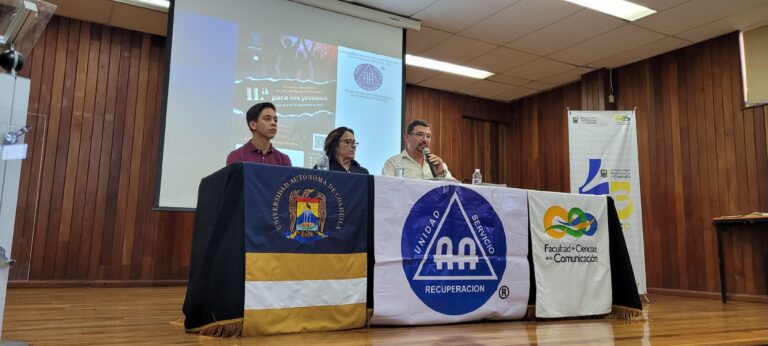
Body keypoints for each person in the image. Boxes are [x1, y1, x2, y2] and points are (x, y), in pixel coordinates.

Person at [382, 119, 453, 179]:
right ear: (407, 137)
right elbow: (388, 190)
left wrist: (440, 173)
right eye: (420, 134)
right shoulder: (393, 163)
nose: (425, 140)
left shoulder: (438, 164)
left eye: (428, 136)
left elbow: (453, 189)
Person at [226, 102, 292, 166]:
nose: (273, 123)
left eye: (275, 120)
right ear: (253, 125)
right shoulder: (237, 156)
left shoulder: (284, 160)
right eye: (267, 119)